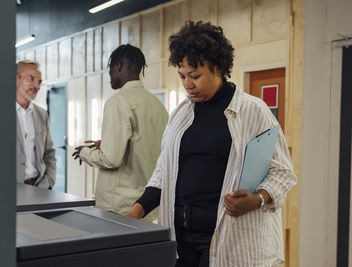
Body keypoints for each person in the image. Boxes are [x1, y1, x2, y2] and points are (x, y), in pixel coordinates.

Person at [125, 21, 297, 266]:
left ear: (217, 68)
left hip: (229, 236)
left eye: (195, 76)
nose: (187, 84)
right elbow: (164, 172)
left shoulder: (253, 111)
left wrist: (258, 198)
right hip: (181, 237)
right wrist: (137, 210)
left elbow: (283, 172)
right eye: (182, 76)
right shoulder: (180, 115)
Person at [72, 44, 168, 220]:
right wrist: (107, 143)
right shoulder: (158, 105)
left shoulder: (118, 102)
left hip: (121, 208)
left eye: (110, 68)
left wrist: (85, 153)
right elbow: (146, 147)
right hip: (148, 206)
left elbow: (111, 159)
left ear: (119, 66)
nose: (109, 73)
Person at [16, 60, 56, 189]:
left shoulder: (41, 114)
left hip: (38, 187)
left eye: (39, 82)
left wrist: (48, 183)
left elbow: (49, 152)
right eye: (31, 79)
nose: (37, 86)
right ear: (16, 79)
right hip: (7, 192)